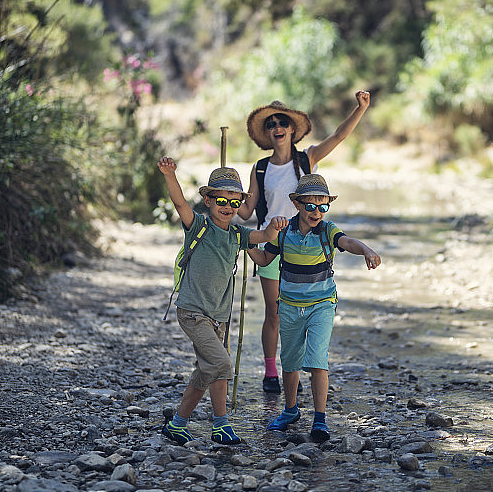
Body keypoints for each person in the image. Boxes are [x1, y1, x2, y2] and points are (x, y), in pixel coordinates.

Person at [238, 90, 371, 394]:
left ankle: (299, 370)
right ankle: (272, 372)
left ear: (292, 129)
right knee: (274, 312)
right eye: (270, 124)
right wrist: (219, 206)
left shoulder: (306, 159)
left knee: (306, 308)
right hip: (273, 243)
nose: (276, 126)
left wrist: (359, 109)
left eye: (281, 121)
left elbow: (338, 136)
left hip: (308, 245)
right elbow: (246, 210)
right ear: (267, 134)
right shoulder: (260, 168)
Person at [157, 157, 288, 445]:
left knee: (206, 370)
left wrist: (275, 228)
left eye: (233, 202)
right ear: (207, 199)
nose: (227, 207)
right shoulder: (199, 226)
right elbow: (180, 205)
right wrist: (170, 175)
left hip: (220, 316)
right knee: (221, 364)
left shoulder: (239, 235)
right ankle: (221, 423)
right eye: (220, 200)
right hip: (193, 311)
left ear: (241, 205)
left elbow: (264, 235)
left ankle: (179, 424)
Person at [248, 173, 381, 442]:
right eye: (310, 206)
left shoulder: (328, 231)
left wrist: (366, 249)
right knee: (291, 360)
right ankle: (290, 410)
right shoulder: (283, 233)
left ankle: (320, 418)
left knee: (318, 360)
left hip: (322, 305)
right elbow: (264, 259)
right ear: (297, 204)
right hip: (288, 306)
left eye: (323, 206)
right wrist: (245, 242)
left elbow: (348, 242)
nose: (317, 212)